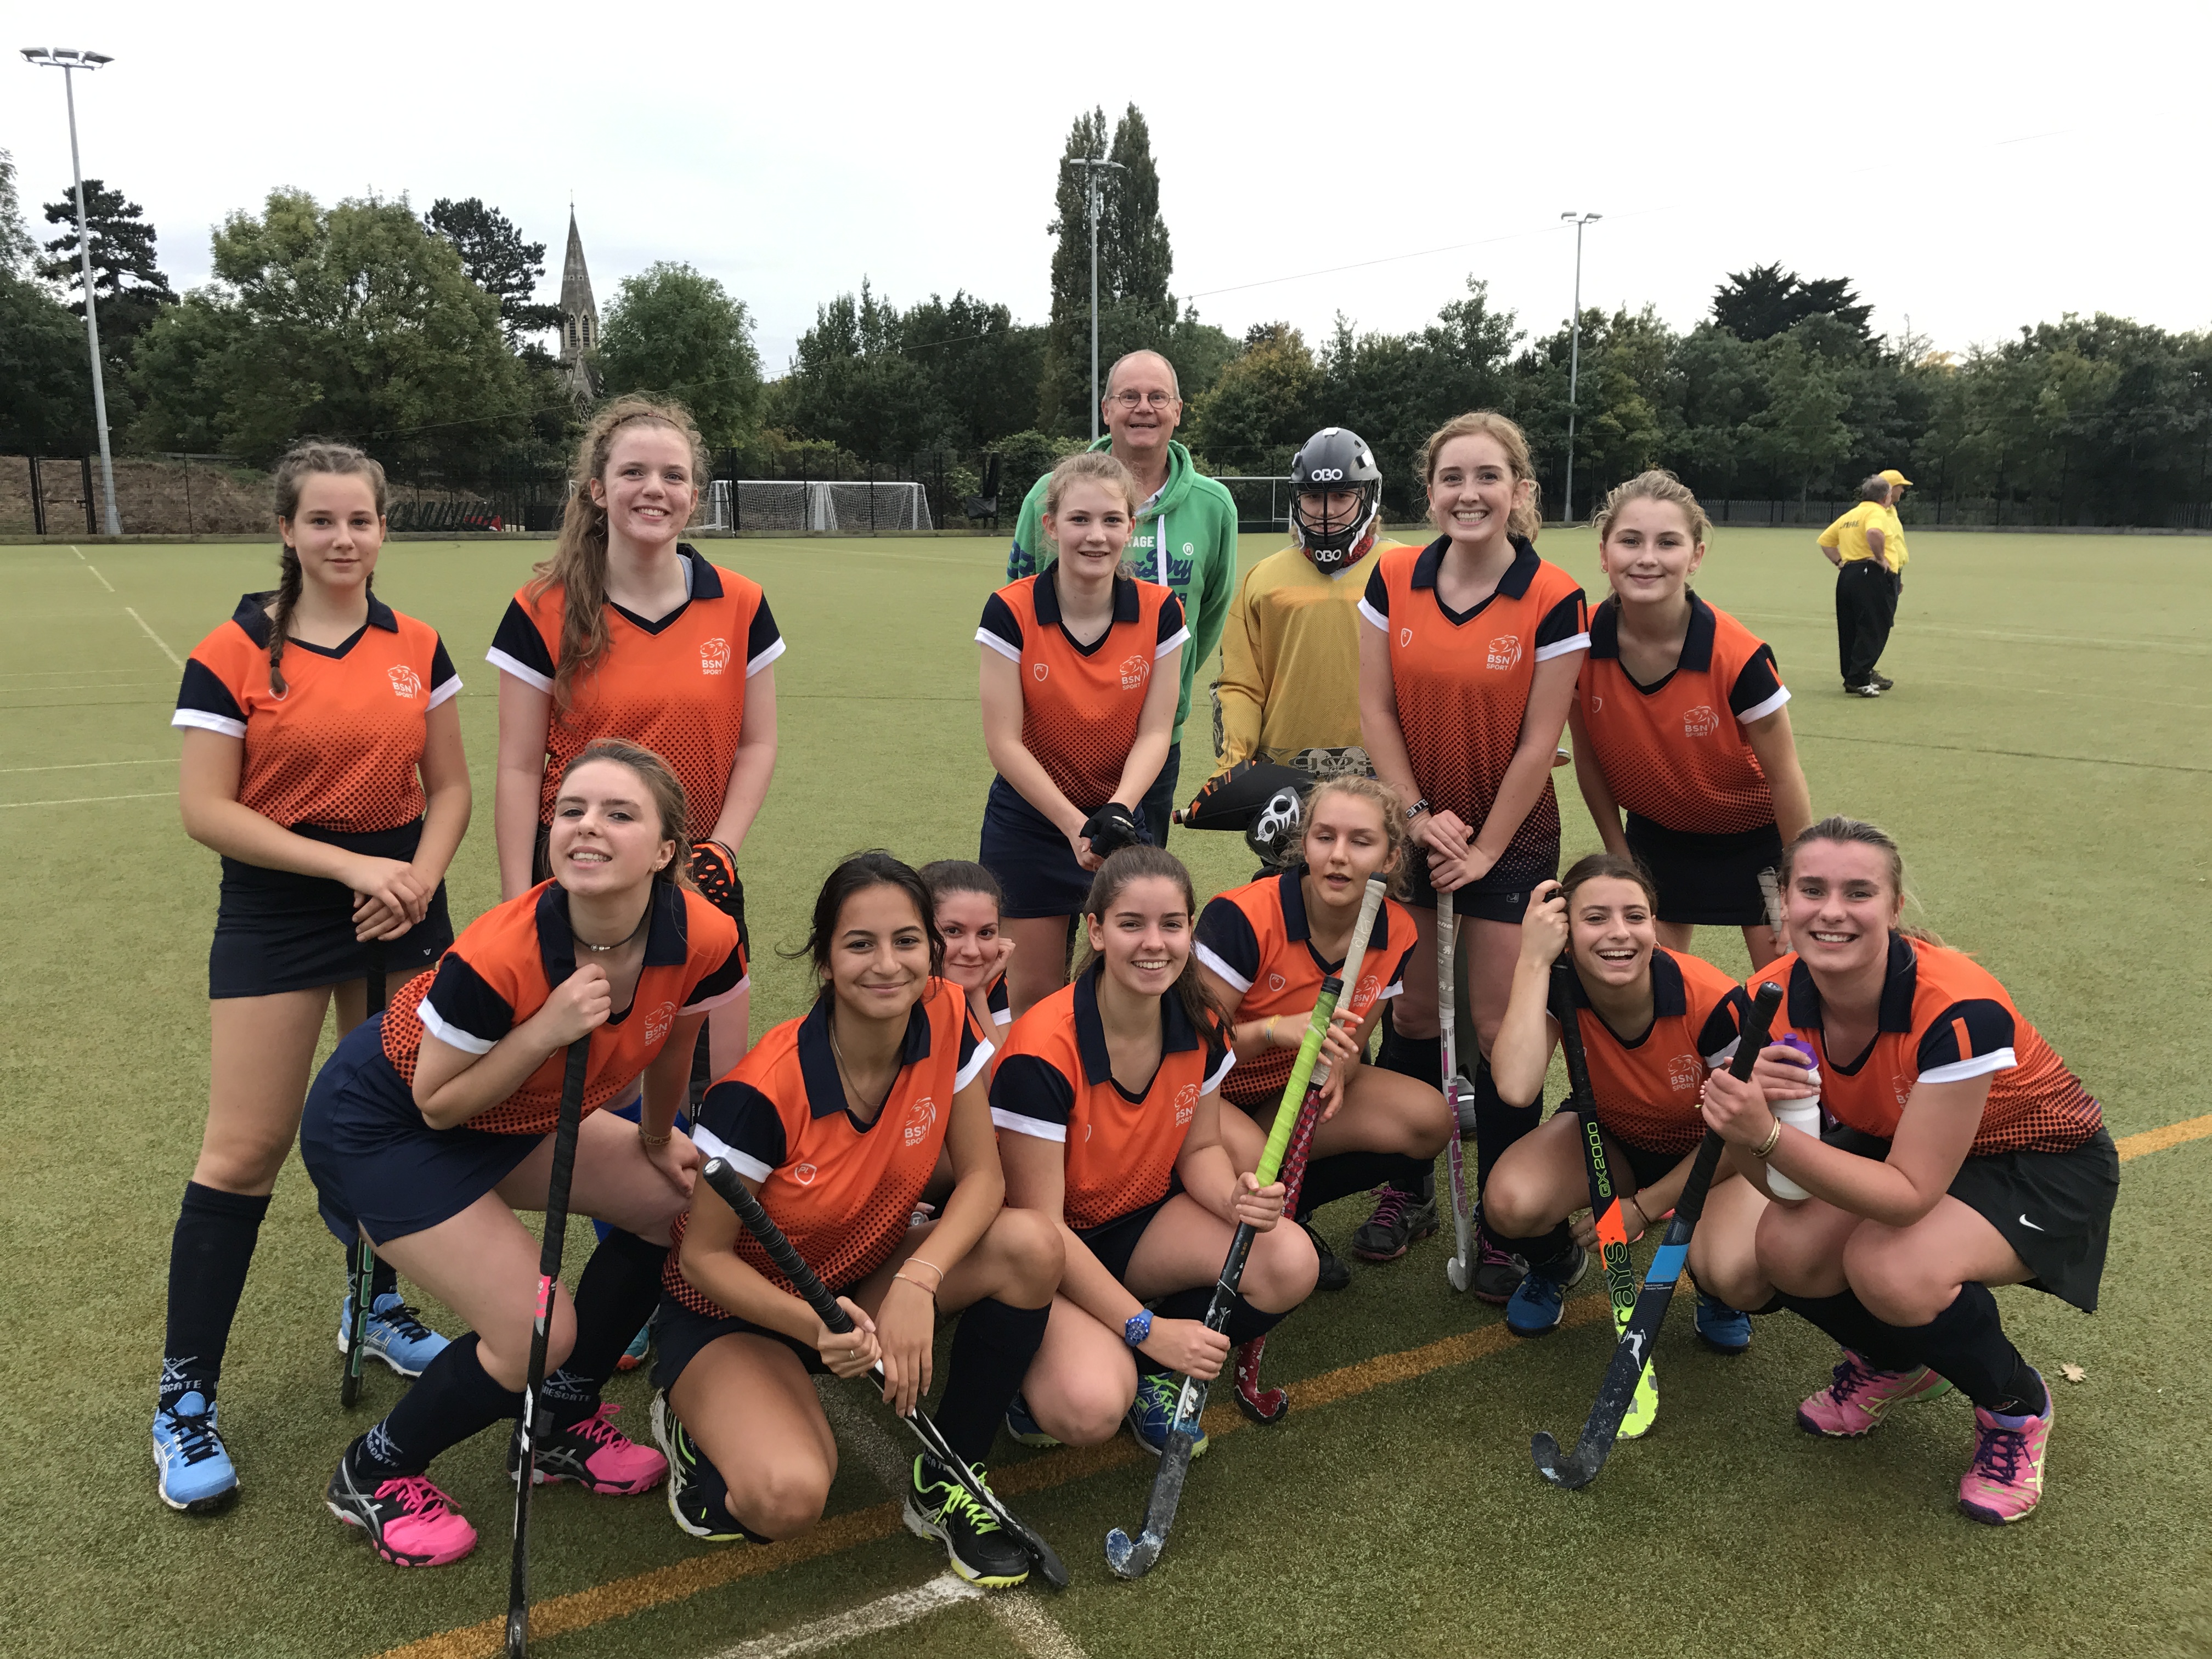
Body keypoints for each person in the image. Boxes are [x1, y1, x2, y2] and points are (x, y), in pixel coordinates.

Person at [303, 740, 747, 1566]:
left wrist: (657, 1141)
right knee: (538, 1330)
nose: (587, 827)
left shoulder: (707, 935)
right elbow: (439, 1103)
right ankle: (376, 1468)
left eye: (620, 814)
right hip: (391, 1121)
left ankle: (558, 1425)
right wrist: (545, 1027)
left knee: (678, 1204)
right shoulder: (497, 952)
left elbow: (676, 1042)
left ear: (665, 852)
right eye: (572, 810)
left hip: (514, 1115)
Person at [156, 442, 470, 1514]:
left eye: (363, 521)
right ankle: (184, 1395)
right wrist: (353, 869)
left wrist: (417, 881)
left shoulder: (418, 644)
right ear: (285, 531)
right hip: (283, 905)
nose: (345, 539)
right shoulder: (232, 650)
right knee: (246, 1150)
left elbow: (453, 786)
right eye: (323, 521)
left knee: (402, 1121)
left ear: (386, 530)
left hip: (404, 899)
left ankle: (374, 1311)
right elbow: (210, 809)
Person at [652, 853, 1060, 1587]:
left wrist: (918, 1281)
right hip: (738, 1313)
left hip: (862, 1280)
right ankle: (690, 1424)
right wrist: (813, 1328)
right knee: (788, 1497)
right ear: (825, 960)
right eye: (859, 944)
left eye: (907, 941)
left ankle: (949, 1478)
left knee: (1031, 1245)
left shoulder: (943, 1011)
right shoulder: (761, 1093)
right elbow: (702, 1260)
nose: (888, 965)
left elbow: (983, 1176)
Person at [1702, 816, 2117, 1525]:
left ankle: (2016, 1407)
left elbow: (1907, 1196)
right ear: (1785, 904)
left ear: (1895, 910)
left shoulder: (1959, 1009)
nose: (1831, 911)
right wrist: (1747, 1123)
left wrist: (1766, 1132)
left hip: (2040, 1162)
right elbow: (1780, 1185)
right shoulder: (1760, 1006)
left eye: (1858, 892)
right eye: (1812, 889)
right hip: (1903, 1145)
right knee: (1782, 1247)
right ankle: (1895, 1362)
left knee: (1891, 1266)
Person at [1357, 411, 1589, 1301]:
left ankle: (1502, 1220)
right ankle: (1406, 1184)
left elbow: (1541, 740)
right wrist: (1416, 817)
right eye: (1452, 477)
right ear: (1429, 491)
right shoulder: (1392, 576)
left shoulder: (1554, 594)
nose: (1469, 492)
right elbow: (1376, 710)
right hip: (1414, 826)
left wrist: (1484, 847)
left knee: (1498, 1029)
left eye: (1488, 476)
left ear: (1517, 491)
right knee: (1413, 1013)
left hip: (1512, 835)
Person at [993, 846, 1318, 1456]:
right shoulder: (1043, 1048)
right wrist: (1147, 1330)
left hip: (1136, 1225)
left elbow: (1199, 1151)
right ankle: (1035, 1380)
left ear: (1190, 929)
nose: (1154, 943)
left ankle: (1149, 1379)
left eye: (1172, 924)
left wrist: (1233, 1198)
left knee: (1290, 1262)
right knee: (1088, 1410)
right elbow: (1045, 1228)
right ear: (1095, 929)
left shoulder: (1200, 1022)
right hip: (1047, 1249)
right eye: (1131, 924)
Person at [489, 394, 779, 1077]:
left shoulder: (740, 602)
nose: (655, 489)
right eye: (634, 473)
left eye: (673, 476)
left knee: (708, 1082)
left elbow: (756, 744)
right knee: (581, 1082)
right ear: (598, 490)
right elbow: (518, 765)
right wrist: (516, 902)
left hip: (698, 866)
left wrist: (722, 850)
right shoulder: (544, 607)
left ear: (694, 495)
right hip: (578, 870)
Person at [1483, 856, 1762, 1356]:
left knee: (1731, 1270)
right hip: (1611, 1135)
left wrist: (1643, 1209)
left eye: (1635, 917)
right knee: (1509, 1202)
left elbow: (1741, 1134)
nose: (1619, 934)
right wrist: (1533, 960)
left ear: (1654, 924)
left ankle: (1713, 1290)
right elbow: (1516, 1088)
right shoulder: (1557, 978)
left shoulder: (1712, 1000)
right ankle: (1557, 1266)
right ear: (1565, 929)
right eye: (1595, 918)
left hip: (1714, 1154)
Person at [1193, 777, 1447, 1286]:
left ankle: (1292, 1214)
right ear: (1304, 844)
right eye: (1324, 837)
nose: (1339, 856)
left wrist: (1342, 1069)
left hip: (1286, 1092)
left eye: (1361, 841)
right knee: (1249, 1159)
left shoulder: (1397, 929)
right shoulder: (1242, 916)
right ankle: (1239, 1231)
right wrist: (1273, 1030)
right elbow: (1189, 1056)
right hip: (1206, 1097)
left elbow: (1353, 1040)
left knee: (1428, 1121)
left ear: (1391, 857)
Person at [1568, 471, 1814, 971]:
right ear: (1604, 552)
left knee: (1788, 980)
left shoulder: (1737, 655)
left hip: (1755, 841)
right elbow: (1588, 757)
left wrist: (1800, 883)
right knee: (1652, 983)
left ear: (1695, 556)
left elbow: (1785, 775)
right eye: (1630, 541)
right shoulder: (1580, 642)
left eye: (1668, 543)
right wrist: (1621, 859)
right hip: (1656, 838)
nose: (1647, 558)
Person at [977, 451, 1188, 1018]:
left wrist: (1116, 811)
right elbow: (1005, 741)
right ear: (1050, 527)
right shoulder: (1009, 610)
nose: (1096, 536)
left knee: (1123, 994)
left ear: (1131, 528)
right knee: (1034, 998)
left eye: (1112, 521)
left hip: (1119, 817)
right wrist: (1073, 825)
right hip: (1031, 823)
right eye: (1079, 520)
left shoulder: (1161, 609)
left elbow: (1156, 732)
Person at [1006, 351, 1239, 842]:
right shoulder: (1047, 495)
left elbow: (1209, 615)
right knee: (1044, 897)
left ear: (1178, 410)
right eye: (1128, 396)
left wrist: (1149, 684)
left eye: (1158, 397)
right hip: (1052, 738)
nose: (1143, 408)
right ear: (1107, 409)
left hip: (1153, 740)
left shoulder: (1214, 506)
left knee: (1129, 902)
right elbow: (1020, 595)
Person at [1207, 427, 1406, 786]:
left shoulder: (1409, 571)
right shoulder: (1263, 580)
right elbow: (1240, 686)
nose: (1325, 511)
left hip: (1390, 778)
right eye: (1313, 497)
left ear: (1368, 496)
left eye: (1342, 495)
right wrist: (1233, 767)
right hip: (1285, 777)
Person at [921, 859, 1017, 1064]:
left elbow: (1001, 1084)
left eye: (986, 933)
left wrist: (976, 995)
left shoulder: (990, 977)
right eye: (953, 931)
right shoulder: (901, 989)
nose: (972, 952)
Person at [1816, 476, 1898, 698]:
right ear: (1884, 497)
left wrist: (1840, 562)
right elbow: (1874, 533)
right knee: (1873, 626)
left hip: (1849, 574)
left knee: (1849, 626)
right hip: (1870, 574)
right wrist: (1881, 558)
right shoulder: (1876, 513)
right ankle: (1861, 677)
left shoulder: (1850, 515)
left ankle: (1851, 676)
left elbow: (1826, 541)